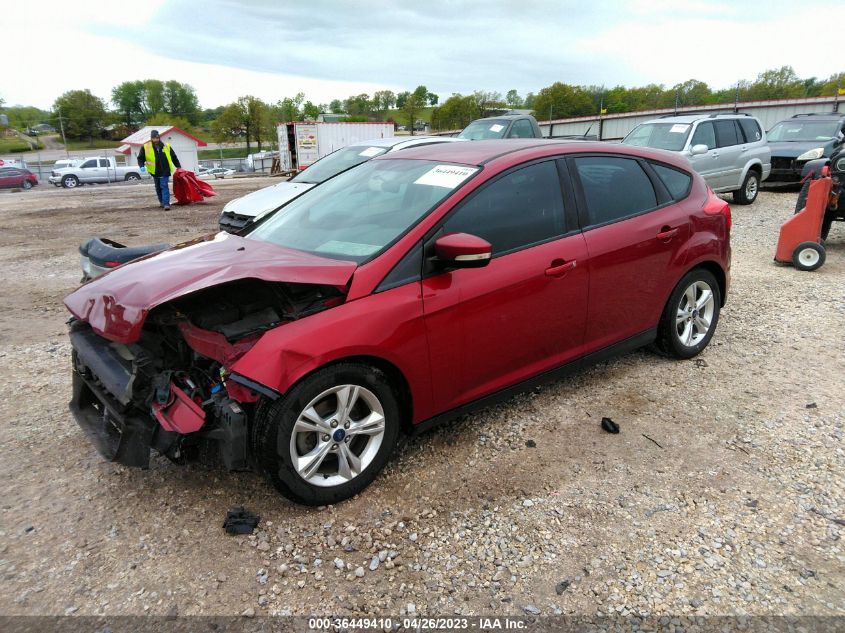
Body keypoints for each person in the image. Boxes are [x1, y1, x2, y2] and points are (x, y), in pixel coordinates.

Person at [137, 129, 181, 210]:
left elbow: (174, 157)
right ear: (151, 138)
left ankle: (166, 204)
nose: (156, 140)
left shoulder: (166, 146)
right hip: (154, 171)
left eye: (157, 138)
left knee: (164, 186)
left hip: (165, 170)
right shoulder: (146, 147)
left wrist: (178, 166)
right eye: (154, 138)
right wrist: (141, 166)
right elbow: (140, 158)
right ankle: (161, 202)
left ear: (159, 138)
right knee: (158, 187)